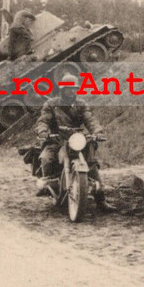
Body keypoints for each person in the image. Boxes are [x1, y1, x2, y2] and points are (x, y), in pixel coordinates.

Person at [36, 74, 112, 211]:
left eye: (74, 89)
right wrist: (43, 132)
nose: (72, 91)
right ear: (62, 89)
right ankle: (47, 185)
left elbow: (90, 120)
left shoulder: (81, 105)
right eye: (68, 89)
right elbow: (43, 120)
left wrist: (97, 132)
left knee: (91, 163)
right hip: (57, 139)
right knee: (46, 158)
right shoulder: (51, 105)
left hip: (77, 139)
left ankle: (101, 200)